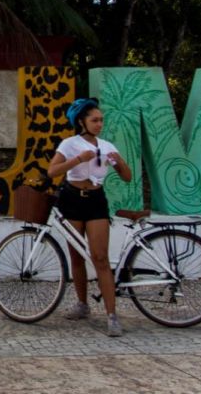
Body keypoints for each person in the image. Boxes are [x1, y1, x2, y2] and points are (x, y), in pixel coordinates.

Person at [47, 97, 132, 337]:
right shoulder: (69, 144)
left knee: (100, 257)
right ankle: (82, 304)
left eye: (101, 120)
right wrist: (77, 160)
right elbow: (52, 171)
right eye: (94, 120)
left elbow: (127, 176)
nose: (99, 124)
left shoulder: (106, 145)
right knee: (76, 255)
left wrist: (119, 163)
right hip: (72, 198)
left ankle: (111, 315)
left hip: (95, 201)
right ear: (81, 121)